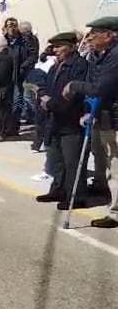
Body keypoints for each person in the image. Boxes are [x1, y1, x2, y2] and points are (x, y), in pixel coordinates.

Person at [63, 16, 118, 228]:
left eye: (96, 32)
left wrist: (73, 85)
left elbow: (100, 88)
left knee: (115, 165)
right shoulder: (99, 56)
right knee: (107, 163)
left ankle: (115, 213)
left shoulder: (115, 56)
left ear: (109, 35)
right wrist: (91, 111)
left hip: (115, 118)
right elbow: (95, 87)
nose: (91, 37)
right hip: (104, 116)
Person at [35, 32, 90, 210]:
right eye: (54, 47)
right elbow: (46, 84)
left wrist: (51, 103)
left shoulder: (80, 66)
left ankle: (76, 196)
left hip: (71, 119)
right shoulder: (57, 65)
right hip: (56, 118)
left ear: (72, 46)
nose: (56, 50)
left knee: (72, 160)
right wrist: (43, 96)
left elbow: (74, 96)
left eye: (59, 46)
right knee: (57, 158)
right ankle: (58, 189)